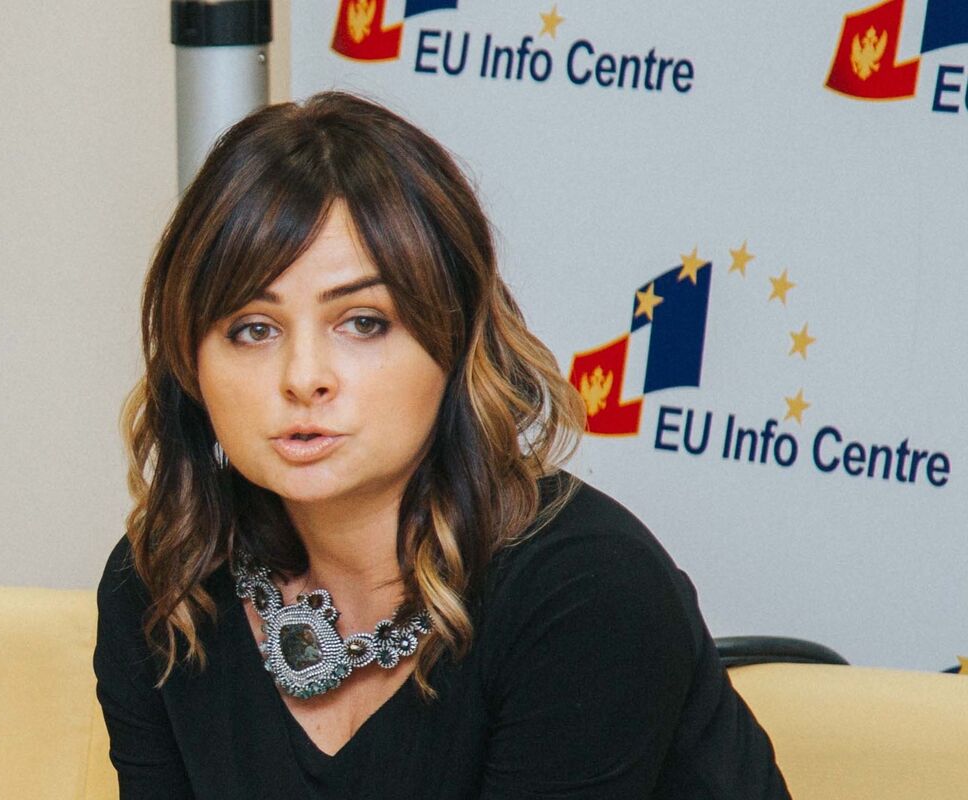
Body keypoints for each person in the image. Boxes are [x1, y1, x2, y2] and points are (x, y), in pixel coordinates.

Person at [94, 91, 791, 799]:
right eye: (253, 329)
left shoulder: (589, 590)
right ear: (190, 361)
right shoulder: (163, 582)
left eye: (363, 322)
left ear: (454, 339)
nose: (304, 378)